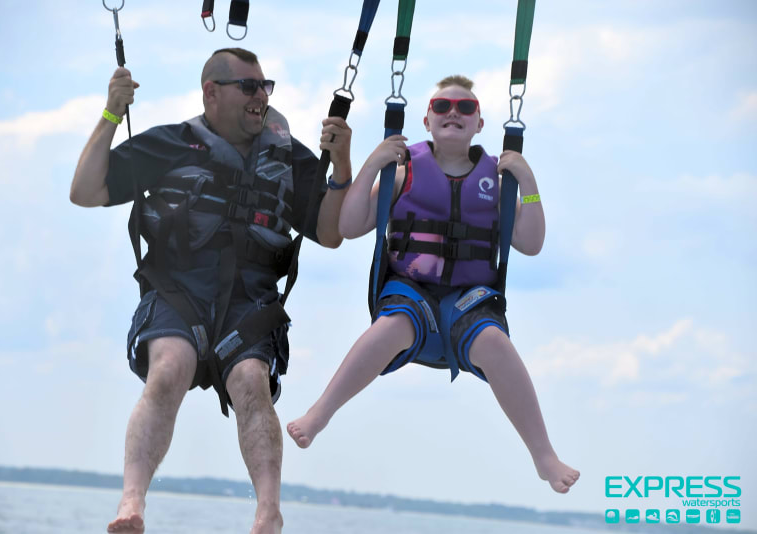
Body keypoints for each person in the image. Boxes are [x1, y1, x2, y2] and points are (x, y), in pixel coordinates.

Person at [70, 48, 352, 534]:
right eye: (249, 86)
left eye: (266, 87)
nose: (261, 96)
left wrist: (342, 164)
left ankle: (268, 513)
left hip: (251, 300)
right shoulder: (172, 144)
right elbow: (85, 191)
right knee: (167, 369)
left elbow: (329, 233)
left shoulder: (287, 156)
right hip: (179, 291)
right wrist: (112, 112)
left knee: (251, 383)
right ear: (211, 92)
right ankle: (131, 503)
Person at [287, 75, 579, 494]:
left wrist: (528, 184)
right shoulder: (403, 171)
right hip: (411, 292)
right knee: (389, 328)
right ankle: (320, 413)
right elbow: (350, 227)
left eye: (465, 108)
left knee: (496, 343)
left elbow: (531, 243)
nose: (453, 114)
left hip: (470, 302)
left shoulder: (497, 181)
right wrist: (373, 162)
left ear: (480, 123)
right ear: (427, 120)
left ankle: (543, 455)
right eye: (442, 107)